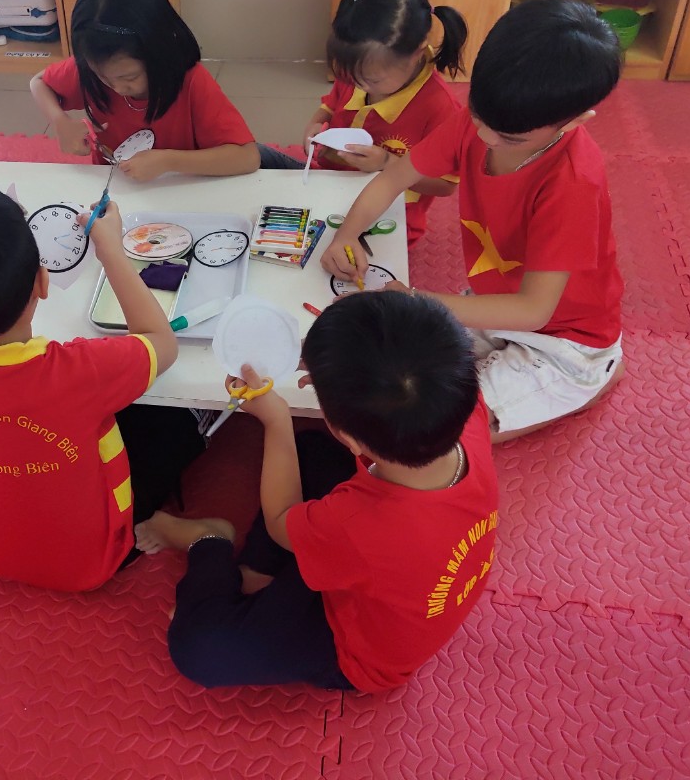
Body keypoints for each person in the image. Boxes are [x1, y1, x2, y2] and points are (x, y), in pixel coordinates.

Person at [137, 291, 498, 692]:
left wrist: (276, 420)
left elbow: (280, 524)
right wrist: (338, 366)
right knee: (312, 452)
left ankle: (209, 541)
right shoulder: (467, 412)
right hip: (371, 568)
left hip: (355, 648)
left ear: (352, 439)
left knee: (199, 649)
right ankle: (259, 574)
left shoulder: (362, 523)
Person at [323, 0, 626, 442]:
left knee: (431, 434)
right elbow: (394, 178)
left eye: (508, 138)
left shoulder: (574, 183)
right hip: (492, 304)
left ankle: (593, 375)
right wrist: (346, 236)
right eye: (479, 117)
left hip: (564, 339)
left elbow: (534, 310)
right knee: (389, 382)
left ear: (576, 120)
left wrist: (418, 301)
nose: (483, 136)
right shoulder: (483, 120)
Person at [0, 183, 205, 591]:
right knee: (179, 418)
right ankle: (158, 523)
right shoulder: (82, 371)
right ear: (43, 283)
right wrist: (110, 249)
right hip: (93, 562)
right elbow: (161, 341)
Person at [30, 0, 273, 181]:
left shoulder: (190, 81)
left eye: (129, 78)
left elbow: (247, 157)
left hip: (182, 191)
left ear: (159, 52)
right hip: (117, 193)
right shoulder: (95, 65)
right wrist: (60, 122)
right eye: (102, 77)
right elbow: (39, 82)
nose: (117, 88)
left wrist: (169, 161)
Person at [300, 0, 466, 245]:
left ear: (416, 53)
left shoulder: (440, 109)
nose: (358, 85)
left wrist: (387, 164)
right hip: (331, 186)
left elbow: (446, 184)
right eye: (349, 75)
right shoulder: (359, 67)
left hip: (389, 219)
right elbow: (331, 104)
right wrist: (315, 124)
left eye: (373, 81)